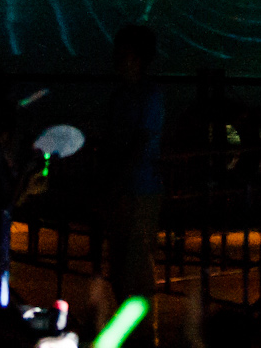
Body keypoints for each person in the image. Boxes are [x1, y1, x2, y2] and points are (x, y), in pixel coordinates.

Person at [102, 25, 164, 323]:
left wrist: (115, 183)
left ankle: (142, 331)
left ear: (138, 59)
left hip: (141, 189)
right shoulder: (123, 96)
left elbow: (139, 143)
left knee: (135, 264)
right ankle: (132, 328)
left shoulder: (148, 95)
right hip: (129, 187)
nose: (117, 61)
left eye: (123, 55)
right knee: (120, 264)